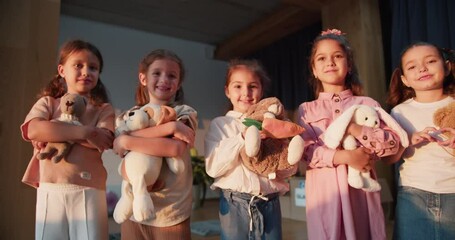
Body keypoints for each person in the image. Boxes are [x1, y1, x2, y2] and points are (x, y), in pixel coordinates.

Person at [297, 29, 404, 240]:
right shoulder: (306, 109)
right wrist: (343, 157)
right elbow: (306, 151)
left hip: (360, 195)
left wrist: (356, 130)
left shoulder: (367, 104)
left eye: (337, 56)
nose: (330, 62)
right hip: (324, 195)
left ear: (349, 65)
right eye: (322, 58)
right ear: (314, 70)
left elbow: (392, 143)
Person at [20, 39, 115, 240]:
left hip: (90, 189)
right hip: (50, 187)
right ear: (62, 70)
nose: (86, 71)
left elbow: (105, 140)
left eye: (93, 67)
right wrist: (87, 133)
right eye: (78, 65)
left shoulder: (103, 110)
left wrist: (55, 131)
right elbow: (34, 130)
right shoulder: (48, 103)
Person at [204, 59, 297, 240]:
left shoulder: (272, 125)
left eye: (252, 86)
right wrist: (242, 138)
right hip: (234, 204)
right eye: (238, 86)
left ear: (261, 91)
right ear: (227, 91)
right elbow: (213, 168)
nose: (245, 93)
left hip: (269, 202)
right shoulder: (221, 125)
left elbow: (286, 168)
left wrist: (288, 158)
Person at [112, 49, 197, 240]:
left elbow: (174, 148)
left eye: (172, 75)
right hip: (134, 211)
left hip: (171, 213)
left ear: (178, 83)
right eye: (157, 73)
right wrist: (169, 129)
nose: (164, 79)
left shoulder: (184, 112)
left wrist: (127, 139)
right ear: (143, 78)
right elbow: (120, 148)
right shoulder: (129, 116)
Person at [384, 42, 455, 240]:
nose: (422, 68)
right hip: (413, 195)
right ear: (405, 79)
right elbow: (388, 159)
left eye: (431, 61)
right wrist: (407, 141)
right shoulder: (398, 112)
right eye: (412, 66)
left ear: (447, 67)